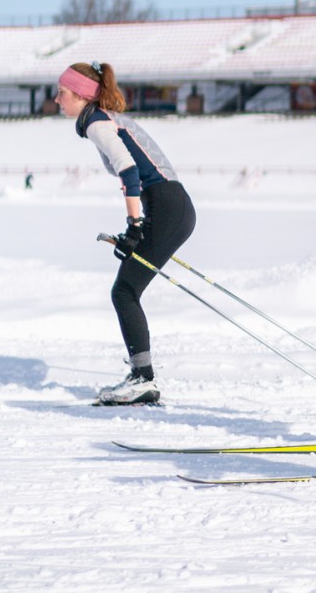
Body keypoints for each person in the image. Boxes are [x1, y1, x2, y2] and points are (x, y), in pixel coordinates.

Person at [55, 61, 196, 406]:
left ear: (80, 96)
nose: (57, 100)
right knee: (126, 289)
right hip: (166, 208)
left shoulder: (98, 125)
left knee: (125, 291)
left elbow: (130, 171)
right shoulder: (102, 121)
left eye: (61, 93)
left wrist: (135, 227)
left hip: (166, 207)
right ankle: (141, 376)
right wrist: (137, 227)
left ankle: (144, 379)